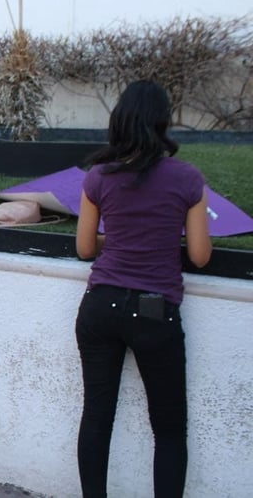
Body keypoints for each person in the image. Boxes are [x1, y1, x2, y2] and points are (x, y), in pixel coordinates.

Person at [74, 80, 212, 498]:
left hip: (98, 307)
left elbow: (84, 248)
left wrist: (117, 240)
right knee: (169, 429)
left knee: (97, 417)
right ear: (163, 121)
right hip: (154, 311)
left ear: (119, 121)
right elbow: (201, 255)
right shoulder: (187, 178)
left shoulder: (98, 176)